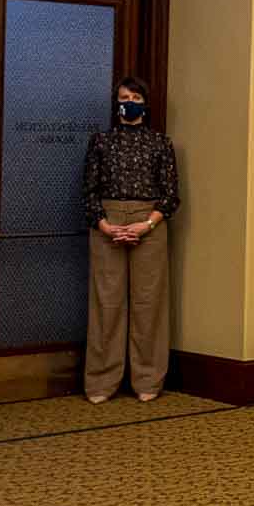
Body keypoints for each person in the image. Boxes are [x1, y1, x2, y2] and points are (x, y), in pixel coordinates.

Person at [81, 75, 179, 403]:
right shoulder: (101, 142)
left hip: (149, 222)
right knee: (106, 303)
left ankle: (148, 379)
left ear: (145, 103)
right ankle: (100, 381)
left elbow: (170, 196)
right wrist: (105, 225)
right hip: (107, 222)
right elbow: (88, 191)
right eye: (124, 96)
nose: (129, 100)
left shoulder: (160, 144)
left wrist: (145, 225)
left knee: (148, 303)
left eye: (135, 95)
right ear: (116, 102)